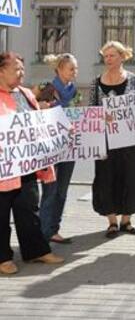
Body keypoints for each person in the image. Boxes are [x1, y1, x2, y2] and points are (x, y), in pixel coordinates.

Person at [0, 52, 64, 275]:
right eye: (16, 68)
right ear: (1, 70)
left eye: (22, 69)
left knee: (28, 209)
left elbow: (35, 124)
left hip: (25, 166)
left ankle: (36, 250)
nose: (21, 73)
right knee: (1, 213)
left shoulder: (26, 93)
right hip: (3, 169)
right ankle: (3, 257)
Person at [88, 41, 135, 238]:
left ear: (122, 57)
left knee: (131, 175)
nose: (108, 59)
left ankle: (127, 220)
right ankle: (112, 222)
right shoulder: (96, 82)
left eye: (112, 55)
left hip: (130, 138)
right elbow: (91, 110)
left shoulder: (134, 80)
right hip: (105, 138)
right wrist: (101, 115)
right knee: (106, 177)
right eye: (106, 56)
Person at [35, 53, 80, 244]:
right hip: (50, 150)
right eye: (71, 68)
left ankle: (54, 229)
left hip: (69, 148)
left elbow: (78, 114)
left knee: (62, 191)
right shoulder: (47, 88)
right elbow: (29, 110)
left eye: (76, 68)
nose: (74, 72)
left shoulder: (74, 91)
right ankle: (43, 232)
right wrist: (40, 106)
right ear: (59, 69)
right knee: (50, 191)